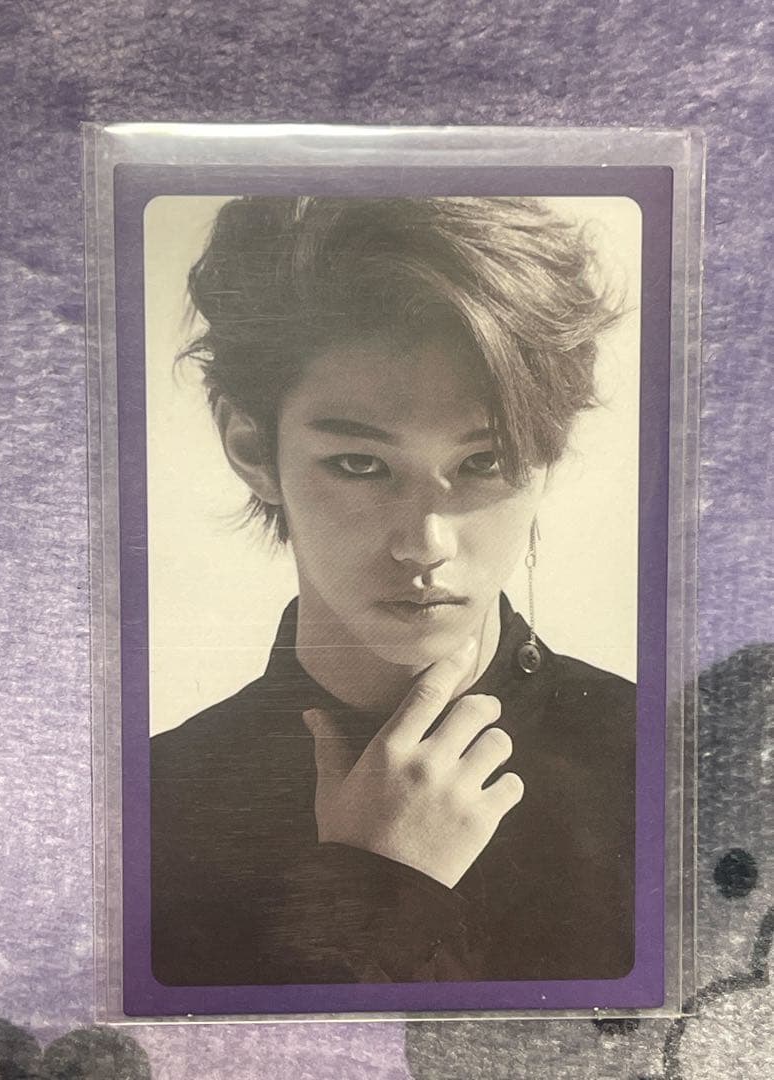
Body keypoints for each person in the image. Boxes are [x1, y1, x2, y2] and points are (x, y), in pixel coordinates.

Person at [150, 196, 636, 987]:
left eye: (484, 462)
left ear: (548, 455)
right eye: (360, 465)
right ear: (251, 448)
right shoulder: (150, 805)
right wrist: (376, 895)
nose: (426, 543)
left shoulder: (671, 767)